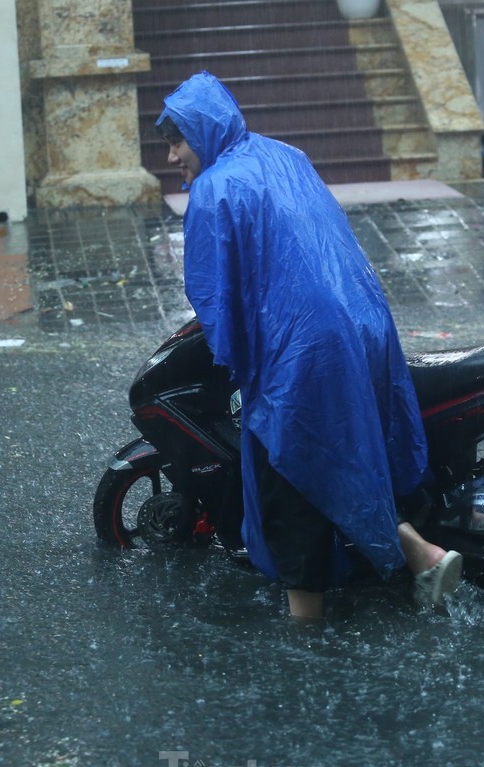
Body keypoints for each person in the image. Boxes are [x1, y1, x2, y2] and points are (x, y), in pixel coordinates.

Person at [156, 71, 462, 620]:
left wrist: (230, 357)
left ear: (202, 131)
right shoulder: (284, 156)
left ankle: (306, 634)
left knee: (291, 471)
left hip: (304, 346)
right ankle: (419, 553)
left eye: (177, 139)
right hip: (363, 322)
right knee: (347, 452)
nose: (174, 155)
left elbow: (213, 289)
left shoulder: (216, 187)